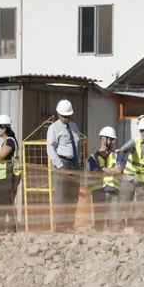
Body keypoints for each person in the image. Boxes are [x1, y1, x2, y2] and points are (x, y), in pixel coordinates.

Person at [115, 115, 144, 230]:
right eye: (142, 131)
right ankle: (119, 227)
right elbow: (127, 147)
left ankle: (138, 229)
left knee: (141, 206)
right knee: (124, 203)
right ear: (139, 131)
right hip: (129, 177)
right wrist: (122, 150)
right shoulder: (135, 141)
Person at [46, 99, 83, 231]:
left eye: (69, 116)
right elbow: (50, 148)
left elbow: (78, 145)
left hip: (74, 164)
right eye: (64, 116)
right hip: (62, 162)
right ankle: (60, 226)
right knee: (61, 197)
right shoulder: (54, 128)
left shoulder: (74, 126)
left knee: (73, 196)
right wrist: (59, 166)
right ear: (58, 115)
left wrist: (78, 162)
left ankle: (69, 224)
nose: (67, 118)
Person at [0, 114, 22, 233]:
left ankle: (10, 227)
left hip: (8, 176)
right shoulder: (7, 142)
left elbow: (1, 156)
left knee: (7, 202)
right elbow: (4, 158)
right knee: (4, 202)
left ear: (4, 128)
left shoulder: (10, 141)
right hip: (4, 175)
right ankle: (2, 226)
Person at [86, 126, 123, 231]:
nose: (112, 142)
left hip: (113, 190)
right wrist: (111, 170)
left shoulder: (117, 155)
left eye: (113, 139)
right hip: (98, 191)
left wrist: (103, 169)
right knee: (99, 221)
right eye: (110, 139)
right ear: (103, 138)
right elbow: (94, 173)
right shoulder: (93, 158)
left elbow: (119, 170)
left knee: (113, 221)